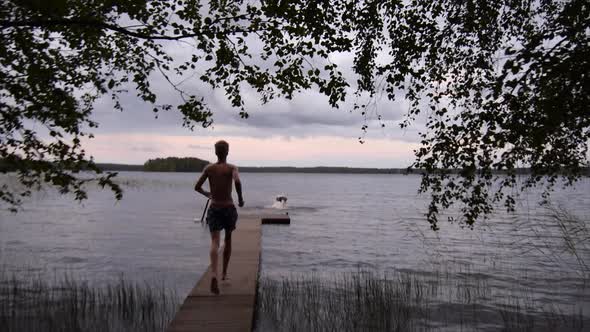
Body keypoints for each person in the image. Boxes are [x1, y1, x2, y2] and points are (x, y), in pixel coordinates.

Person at [194, 140, 244, 295]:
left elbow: (197, 187)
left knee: (215, 241)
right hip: (228, 207)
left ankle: (214, 273)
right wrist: (240, 198)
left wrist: (207, 194)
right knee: (228, 239)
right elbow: (237, 181)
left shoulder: (209, 168)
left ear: (216, 152)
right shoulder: (232, 168)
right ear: (227, 152)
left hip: (214, 207)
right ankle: (224, 274)